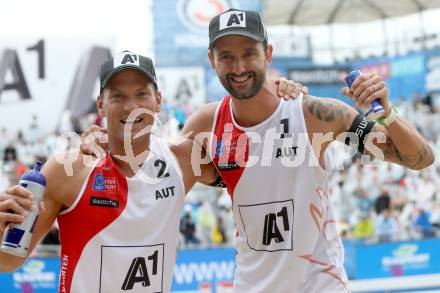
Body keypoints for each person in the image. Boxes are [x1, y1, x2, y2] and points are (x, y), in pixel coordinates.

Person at [81, 9, 434, 292]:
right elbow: (149, 177)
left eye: (249, 54)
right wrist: (98, 144)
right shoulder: (206, 123)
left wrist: (387, 113)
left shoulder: (314, 114)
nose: (238, 68)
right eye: (227, 56)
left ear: (267, 53)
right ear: (212, 60)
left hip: (320, 284)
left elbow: (420, 158)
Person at [0, 50, 302, 293]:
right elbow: (8, 261)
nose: (131, 106)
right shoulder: (68, 168)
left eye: (142, 94)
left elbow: (258, 159)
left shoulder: (182, 161)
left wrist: (272, 91)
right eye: (118, 97)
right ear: (101, 106)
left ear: (158, 101)